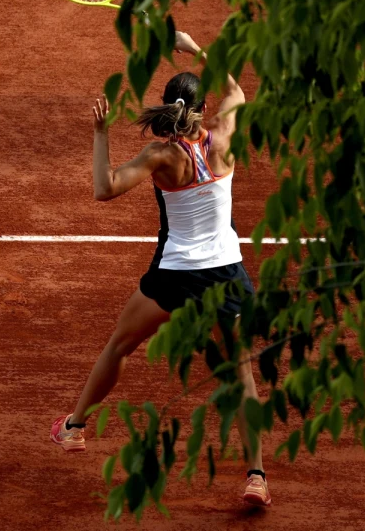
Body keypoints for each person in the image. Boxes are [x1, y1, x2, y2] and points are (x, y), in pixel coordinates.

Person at [49, 30, 271, 508]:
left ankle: (74, 427)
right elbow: (237, 91)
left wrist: (100, 134)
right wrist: (193, 48)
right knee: (243, 376)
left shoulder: (160, 156)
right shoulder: (225, 138)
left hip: (174, 276)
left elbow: (104, 189)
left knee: (121, 345)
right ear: (199, 106)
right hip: (227, 273)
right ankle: (255, 477)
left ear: (169, 107)